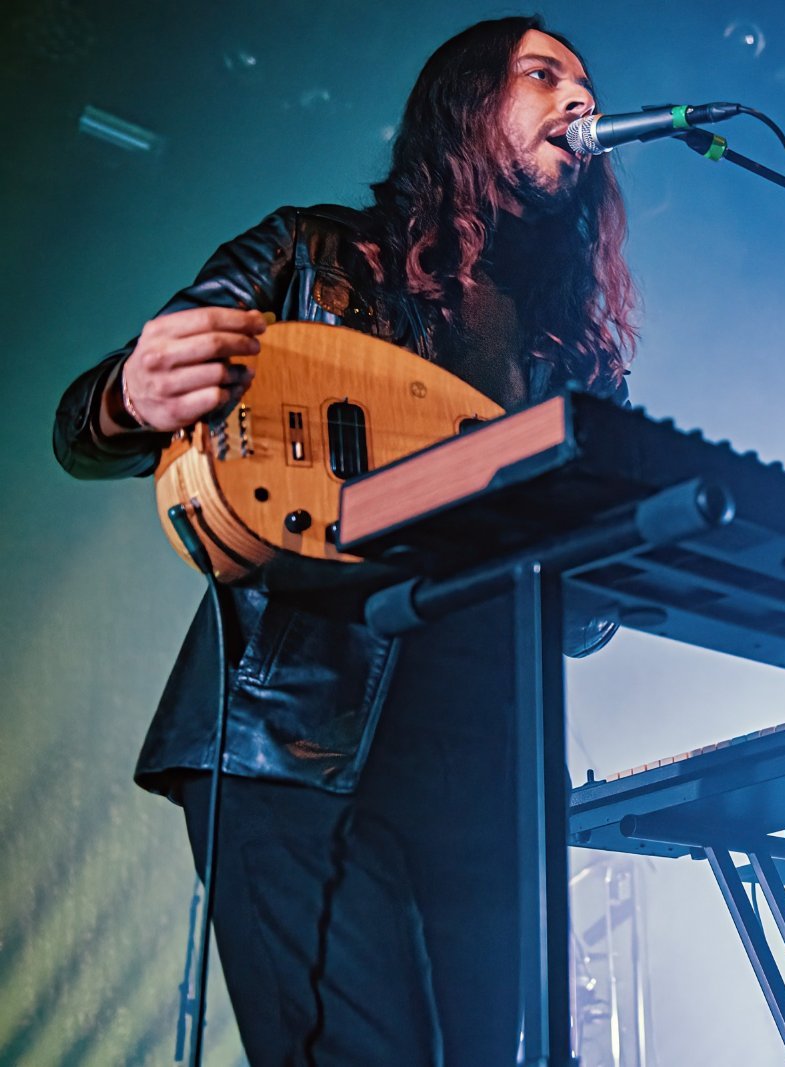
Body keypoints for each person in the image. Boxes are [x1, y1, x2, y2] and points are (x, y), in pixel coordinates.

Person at [51, 16, 634, 1064]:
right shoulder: (312, 253)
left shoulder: (575, 354)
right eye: (543, 75)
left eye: (584, 84)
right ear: (465, 105)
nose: (580, 100)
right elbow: (84, 425)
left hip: (488, 773)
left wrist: (636, 530)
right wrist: (131, 394)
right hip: (293, 740)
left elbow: (582, 617)